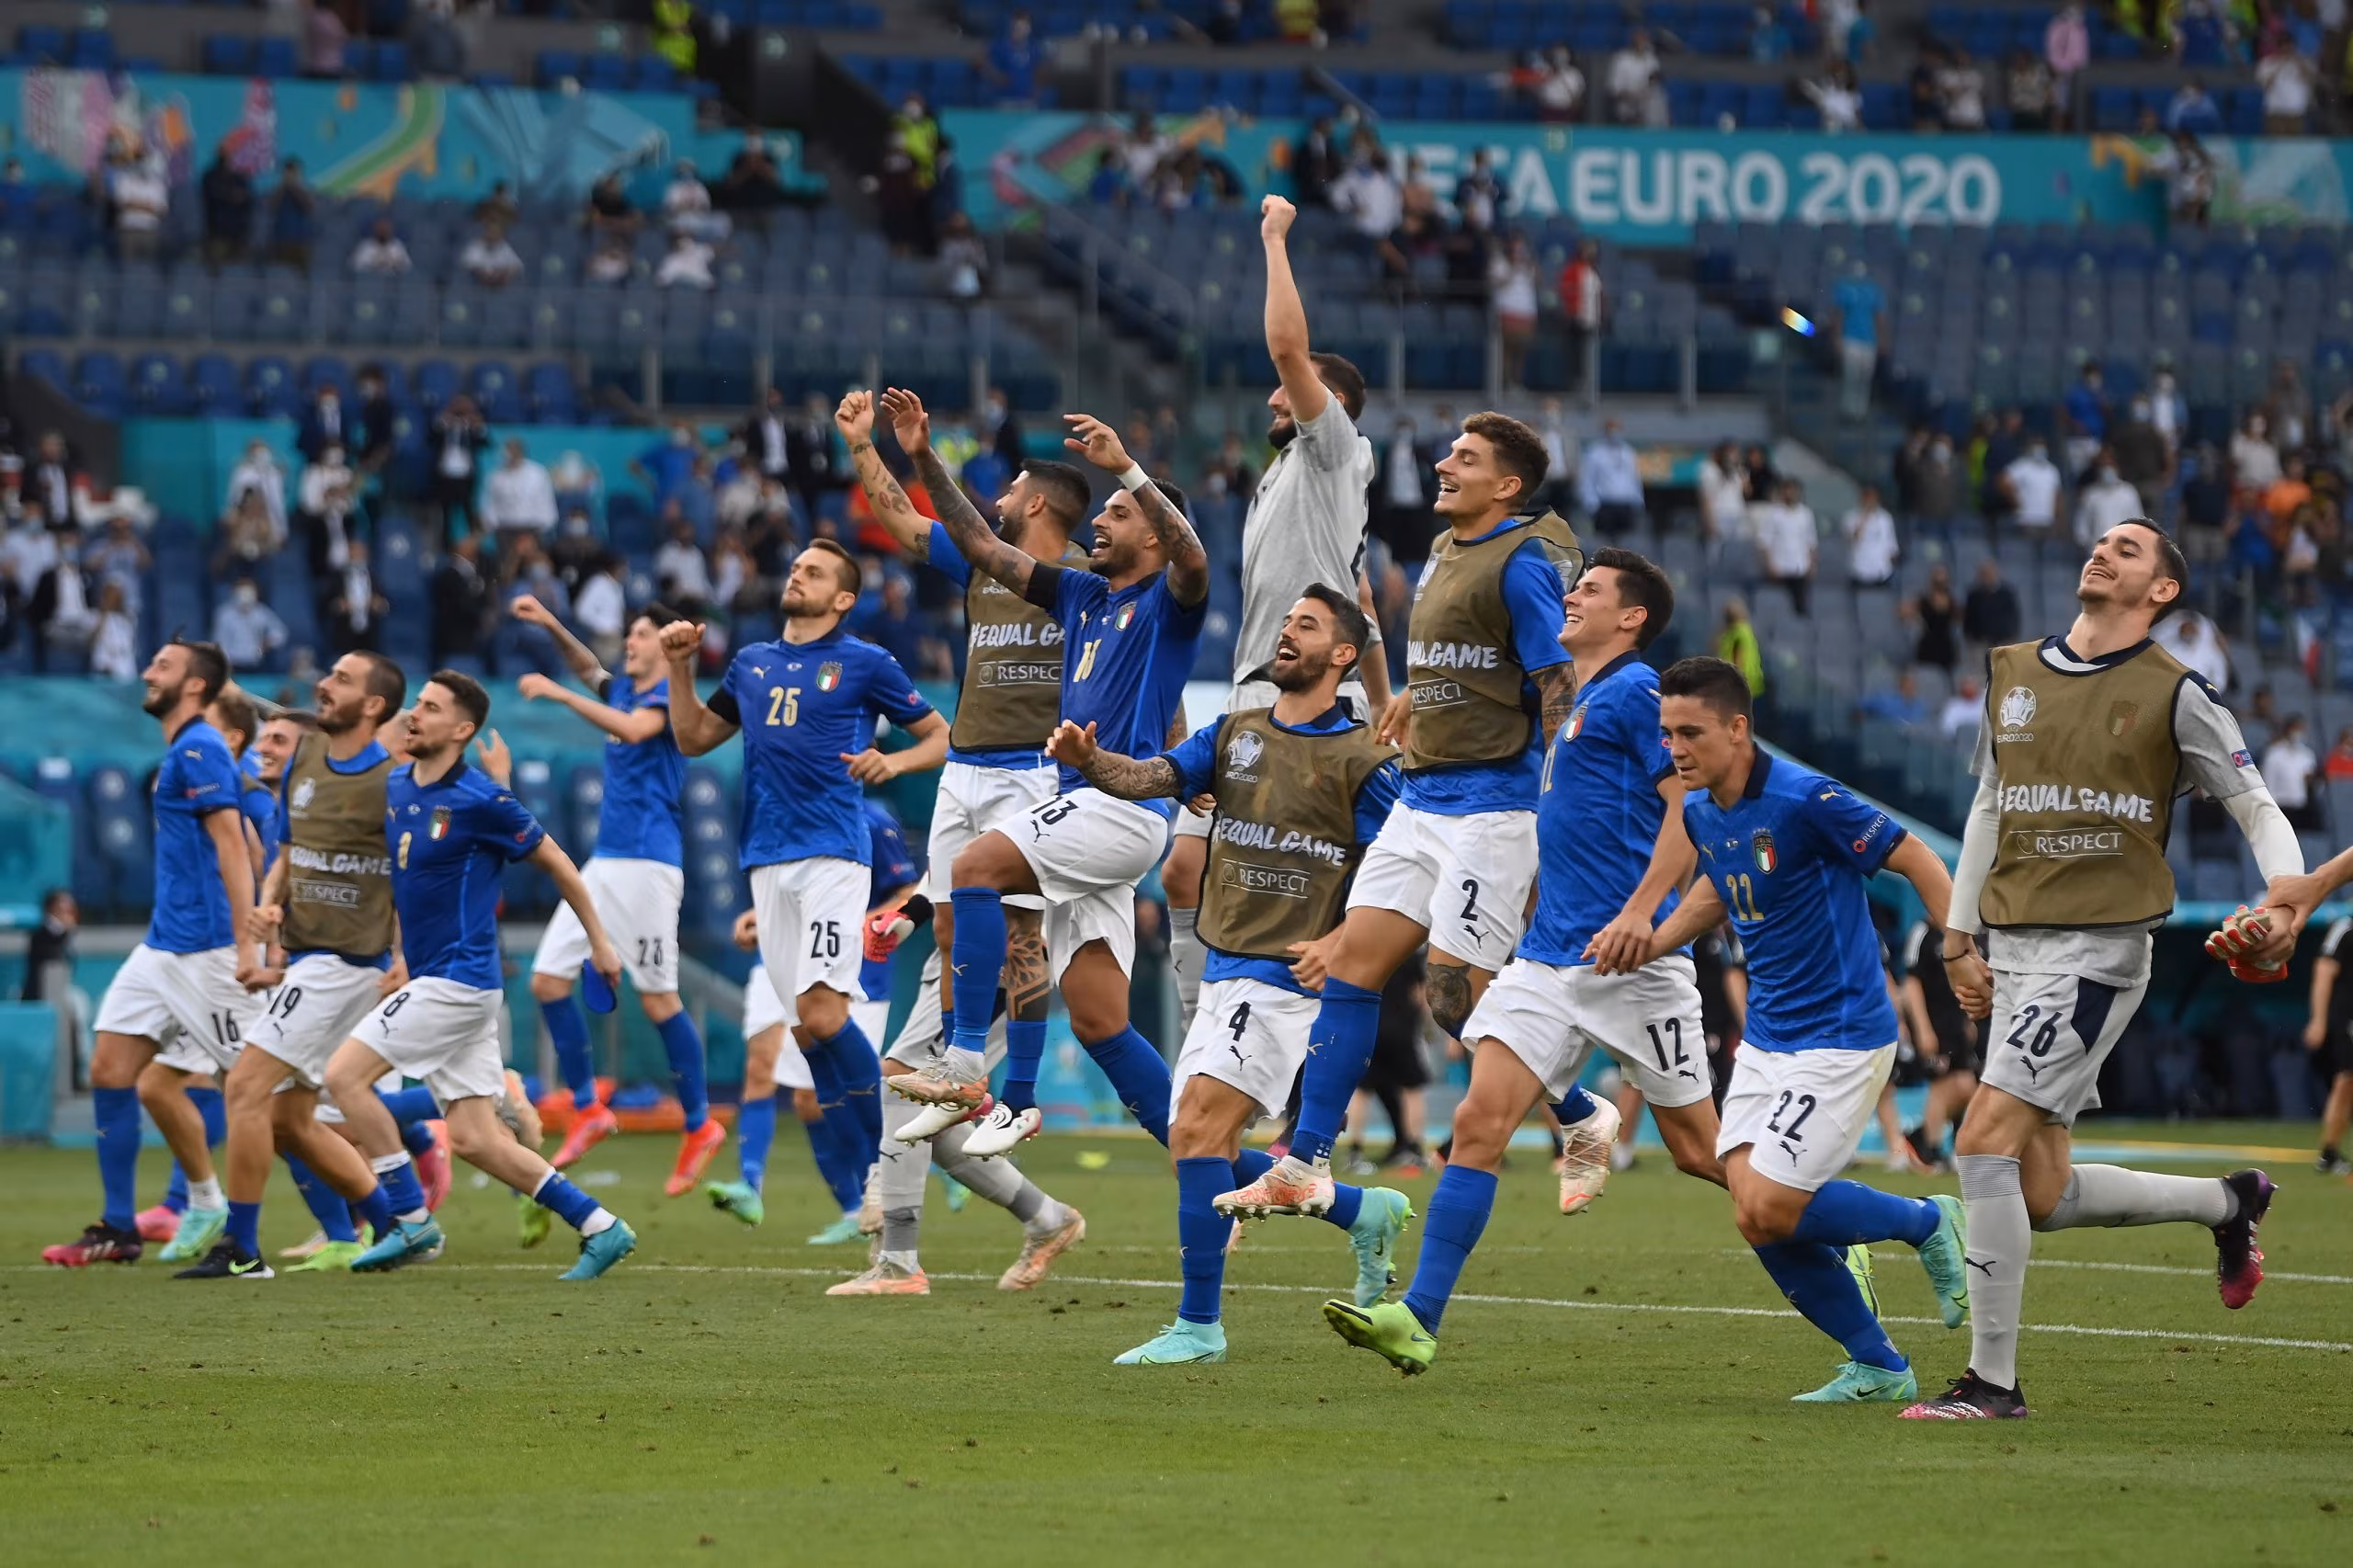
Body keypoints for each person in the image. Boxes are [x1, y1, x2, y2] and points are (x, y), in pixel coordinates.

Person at [1906, 520, 2303, 1419]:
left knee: (1981, 1139)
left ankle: (1991, 1383)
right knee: (2040, 1192)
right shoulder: (2013, 670)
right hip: (2013, 946)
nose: (2102, 551)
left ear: (2163, 589)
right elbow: (1988, 806)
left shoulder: (2177, 691)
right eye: (2100, 541)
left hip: (2097, 950)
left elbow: (2255, 805)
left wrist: (2283, 897)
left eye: (2128, 549)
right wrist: (1957, 936)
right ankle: (2228, 1201)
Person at [1324, 552, 1742, 1375]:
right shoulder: (1575, 702)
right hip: (1550, 961)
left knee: (1702, 1154)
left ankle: (1882, 1225)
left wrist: (1640, 910)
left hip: (1634, 964)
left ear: (1631, 618)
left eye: (1590, 590)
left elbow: (1688, 808)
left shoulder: (1636, 693)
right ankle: (1418, 1318)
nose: (1571, 596)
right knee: (1477, 1125)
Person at [1218, 413, 1582, 1219]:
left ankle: (1580, 1111)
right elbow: (1470, 655)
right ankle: (1305, 1160)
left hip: (1494, 805)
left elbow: (1557, 683)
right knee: (1352, 970)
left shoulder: (1523, 562)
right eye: (1450, 451)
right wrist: (1422, 692)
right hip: (1421, 796)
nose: (1444, 463)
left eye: (1466, 458)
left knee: (1450, 997)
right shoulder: (1448, 548)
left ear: (1507, 486)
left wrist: (1560, 802)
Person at [1043, 588, 1412, 1363]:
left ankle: (1199, 1327)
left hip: (1289, 978)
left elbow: (1404, 874)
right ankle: (1358, 1211)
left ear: (1344, 654)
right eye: (1286, 622)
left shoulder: (1366, 763)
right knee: (1193, 1141)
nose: (1287, 633)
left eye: (1307, 626)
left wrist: (1342, 940)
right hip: (1224, 968)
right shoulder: (1237, 731)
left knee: (1199, 1131)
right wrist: (1089, 762)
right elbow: (1150, 778)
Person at [1623, 656, 1972, 1403]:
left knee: (1773, 1205)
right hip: (1769, 1038)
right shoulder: (1701, 809)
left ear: (1737, 729)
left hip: (1842, 1033)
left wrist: (1956, 948)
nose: (1674, 749)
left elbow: (1917, 857)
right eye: (1666, 733)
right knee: (1753, 1214)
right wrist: (1652, 942)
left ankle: (1926, 1221)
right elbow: (1719, 886)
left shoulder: (1807, 798)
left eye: (1690, 733)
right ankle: (1879, 1366)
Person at [889, 389, 1207, 1163]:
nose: (1099, 521)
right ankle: (1231, 1171)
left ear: (1156, 534)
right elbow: (980, 545)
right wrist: (923, 457)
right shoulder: (1081, 594)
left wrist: (1128, 469)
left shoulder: (1169, 603)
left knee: (975, 869)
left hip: (1117, 811)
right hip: (1089, 812)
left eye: (1119, 515)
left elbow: (1194, 557)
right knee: (1100, 1021)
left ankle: (968, 1065)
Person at [659, 539, 950, 1240]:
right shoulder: (751, 663)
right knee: (808, 1032)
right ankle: (869, 1191)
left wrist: (894, 763)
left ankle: (889, 1162)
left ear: (843, 599)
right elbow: (693, 738)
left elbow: (940, 735)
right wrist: (678, 668)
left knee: (823, 1015)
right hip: (765, 859)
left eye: (813, 572)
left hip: (832, 855)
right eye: (795, 567)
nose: (797, 575)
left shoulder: (865, 662)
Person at [321, 673, 641, 1279]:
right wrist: (400, 953)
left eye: (431, 708)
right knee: (474, 1139)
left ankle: (409, 1218)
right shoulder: (397, 785)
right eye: (416, 704)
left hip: (458, 982)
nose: (415, 714)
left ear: (462, 730)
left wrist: (600, 943)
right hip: (438, 978)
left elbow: (559, 864)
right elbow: (410, 885)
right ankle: (602, 1226)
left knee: (343, 1078)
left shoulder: (480, 799)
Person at [1164, 197, 1386, 1039]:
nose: (1272, 397)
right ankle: (1205, 1040)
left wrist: (1273, 239)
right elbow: (1361, 603)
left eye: (1288, 392)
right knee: (1187, 873)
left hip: (1308, 703)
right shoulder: (1298, 477)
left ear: (1328, 402)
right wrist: (1387, 699)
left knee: (1302, 896)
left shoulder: (1335, 450)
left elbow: (1289, 347)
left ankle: (1300, 1063)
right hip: (1256, 696)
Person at [173, 656, 415, 1278]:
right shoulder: (306, 762)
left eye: (342, 680)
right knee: (290, 1119)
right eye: (329, 676)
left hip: (346, 964)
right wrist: (270, 905)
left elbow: (410, 879)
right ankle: (395, 1227)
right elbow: (287, 851)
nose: (325, 685)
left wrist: (403, 955)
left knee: (245, 1088)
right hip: (308, 959)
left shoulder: (392, 783)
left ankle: (241, 1249)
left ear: (374, 707)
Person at [42, 642, 264, 1267]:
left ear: (195, 685)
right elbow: (247, 842)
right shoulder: (183, 750)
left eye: (163, 666)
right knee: (112, 1068)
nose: (147, 672)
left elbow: (234, 845)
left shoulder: (200, 748)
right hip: (163, 947)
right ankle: (125, 1225)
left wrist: (247, 941)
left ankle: (382, 1202)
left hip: (208, 953)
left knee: (275, 1102)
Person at [508, 596, 722, 1200]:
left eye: (641, 634)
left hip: (650, 866)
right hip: (606, 863)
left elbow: (631, 729)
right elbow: (588, 668)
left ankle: (699, 1123)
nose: (629, 641)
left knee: (658, 1001)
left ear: (665, 645)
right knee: (546, 981)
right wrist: (551, 623)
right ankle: (587, 1107)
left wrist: (559, 695)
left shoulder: (666, 699)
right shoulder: (624, 689)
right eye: (628, 633)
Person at [1899, 918, 1980, 1172]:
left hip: (1955, 1024)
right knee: (1942, 1086)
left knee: (1967, 1086)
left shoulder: (1960, 934)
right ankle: (1930, 1151)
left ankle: (1922, 1136)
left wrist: (1968, 1018)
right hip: (1933, 1025)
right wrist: (1923, 1029)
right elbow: (1911, 984)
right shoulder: (1922, 933)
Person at [2304, 916, 2353, 1175]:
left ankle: (2330, 1153)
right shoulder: (2345, 927)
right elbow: (2324, 971)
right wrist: (2318, 1020)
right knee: (2346, 1081)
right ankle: (2329, 1152)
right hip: (2348, 1019)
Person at [1830, 259, 1886, 421]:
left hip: (1869, 340)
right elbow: (1838, 315)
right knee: (1851, 376)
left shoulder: (1873, 290)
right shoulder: (1843, 288)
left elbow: (1879, 316)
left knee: (1864, 378)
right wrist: (1837, 338)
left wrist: (1881, 339)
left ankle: (1860, 412)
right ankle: (1847, 410)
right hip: (1850, 338)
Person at [1754, 478, 1817, 617]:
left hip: (1800, 567)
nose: (1790, 494)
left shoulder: (1806, 514)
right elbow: (1764, 543)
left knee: (1800, 607)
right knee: (1778, 607)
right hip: (1779, 568)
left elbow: (1811, 542)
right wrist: (1769, 565)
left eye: (1793, 491)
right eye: (1787, 490)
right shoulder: (1773, 514)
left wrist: (1812, 564)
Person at [1577, 417, 1643, 536]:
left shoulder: (1628, 452)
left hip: (1625, 503)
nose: (1614, 434)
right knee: (1605, 540)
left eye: (1617, 430)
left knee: (1626, 540)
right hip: (1605, 505)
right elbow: (1587, 480)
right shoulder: (1595, 453)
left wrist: (1638, 500)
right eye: (1611, 430)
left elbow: (1635, 479)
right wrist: (1591, 504)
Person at [322, 537, 387, 655]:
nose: (357, 555)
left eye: (360, 551)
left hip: (370, 635)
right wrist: (339, 606)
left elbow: (385, 603)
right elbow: (326, 604)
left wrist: (379, 604)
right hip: (345, 634)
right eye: (354, 551)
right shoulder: (337, 578)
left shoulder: (374, 577)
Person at [212, 577, 288, 672]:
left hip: (257, 664)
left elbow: (280, 632)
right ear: (234, 594)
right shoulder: (224, 614)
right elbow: (219, 642)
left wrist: (268, 642)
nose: (246, 597)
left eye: (249, 593)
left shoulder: (261, 612)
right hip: (234, 665)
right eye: (242, 593)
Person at [2261, 714, 2321, 830]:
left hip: (2302, 807)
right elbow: (2268, 782)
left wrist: (2311, 781)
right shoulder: (2274, 753)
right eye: (2295, 728)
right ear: (2287, 729)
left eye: (2301, 729)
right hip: (2281, 807)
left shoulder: (2308, 754)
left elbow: (2314, 782)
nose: (2298, 733)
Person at [1844, 483, 1897, 586]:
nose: (1870, 501)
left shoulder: (1885, 518)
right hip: (1858, 571)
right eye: (1867, 497)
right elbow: (1852, 539)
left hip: (1881, 572)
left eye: (1872, 498)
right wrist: (1864, 518)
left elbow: (1891, 545)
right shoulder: (1851, 517)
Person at [460, 220, 524, 290]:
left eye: (497, 233)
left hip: (500, 284)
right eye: (491, 232)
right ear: (486, 232)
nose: (494, 235)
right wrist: (487, 275)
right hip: (476, 285)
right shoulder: (475, 246)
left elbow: (517, 266)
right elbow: (470, 266)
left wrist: (505, 274)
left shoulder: (504, 246)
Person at [348, 216, 413, 277]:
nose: (383, 232)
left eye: (386, 229)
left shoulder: (397, 245)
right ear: (375, 230)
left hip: (392, 280)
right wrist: (374, 265)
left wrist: (395, 264)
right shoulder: (366, 245)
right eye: (381, 229)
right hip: (371, 280)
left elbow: (407, 266)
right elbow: (355, 265)